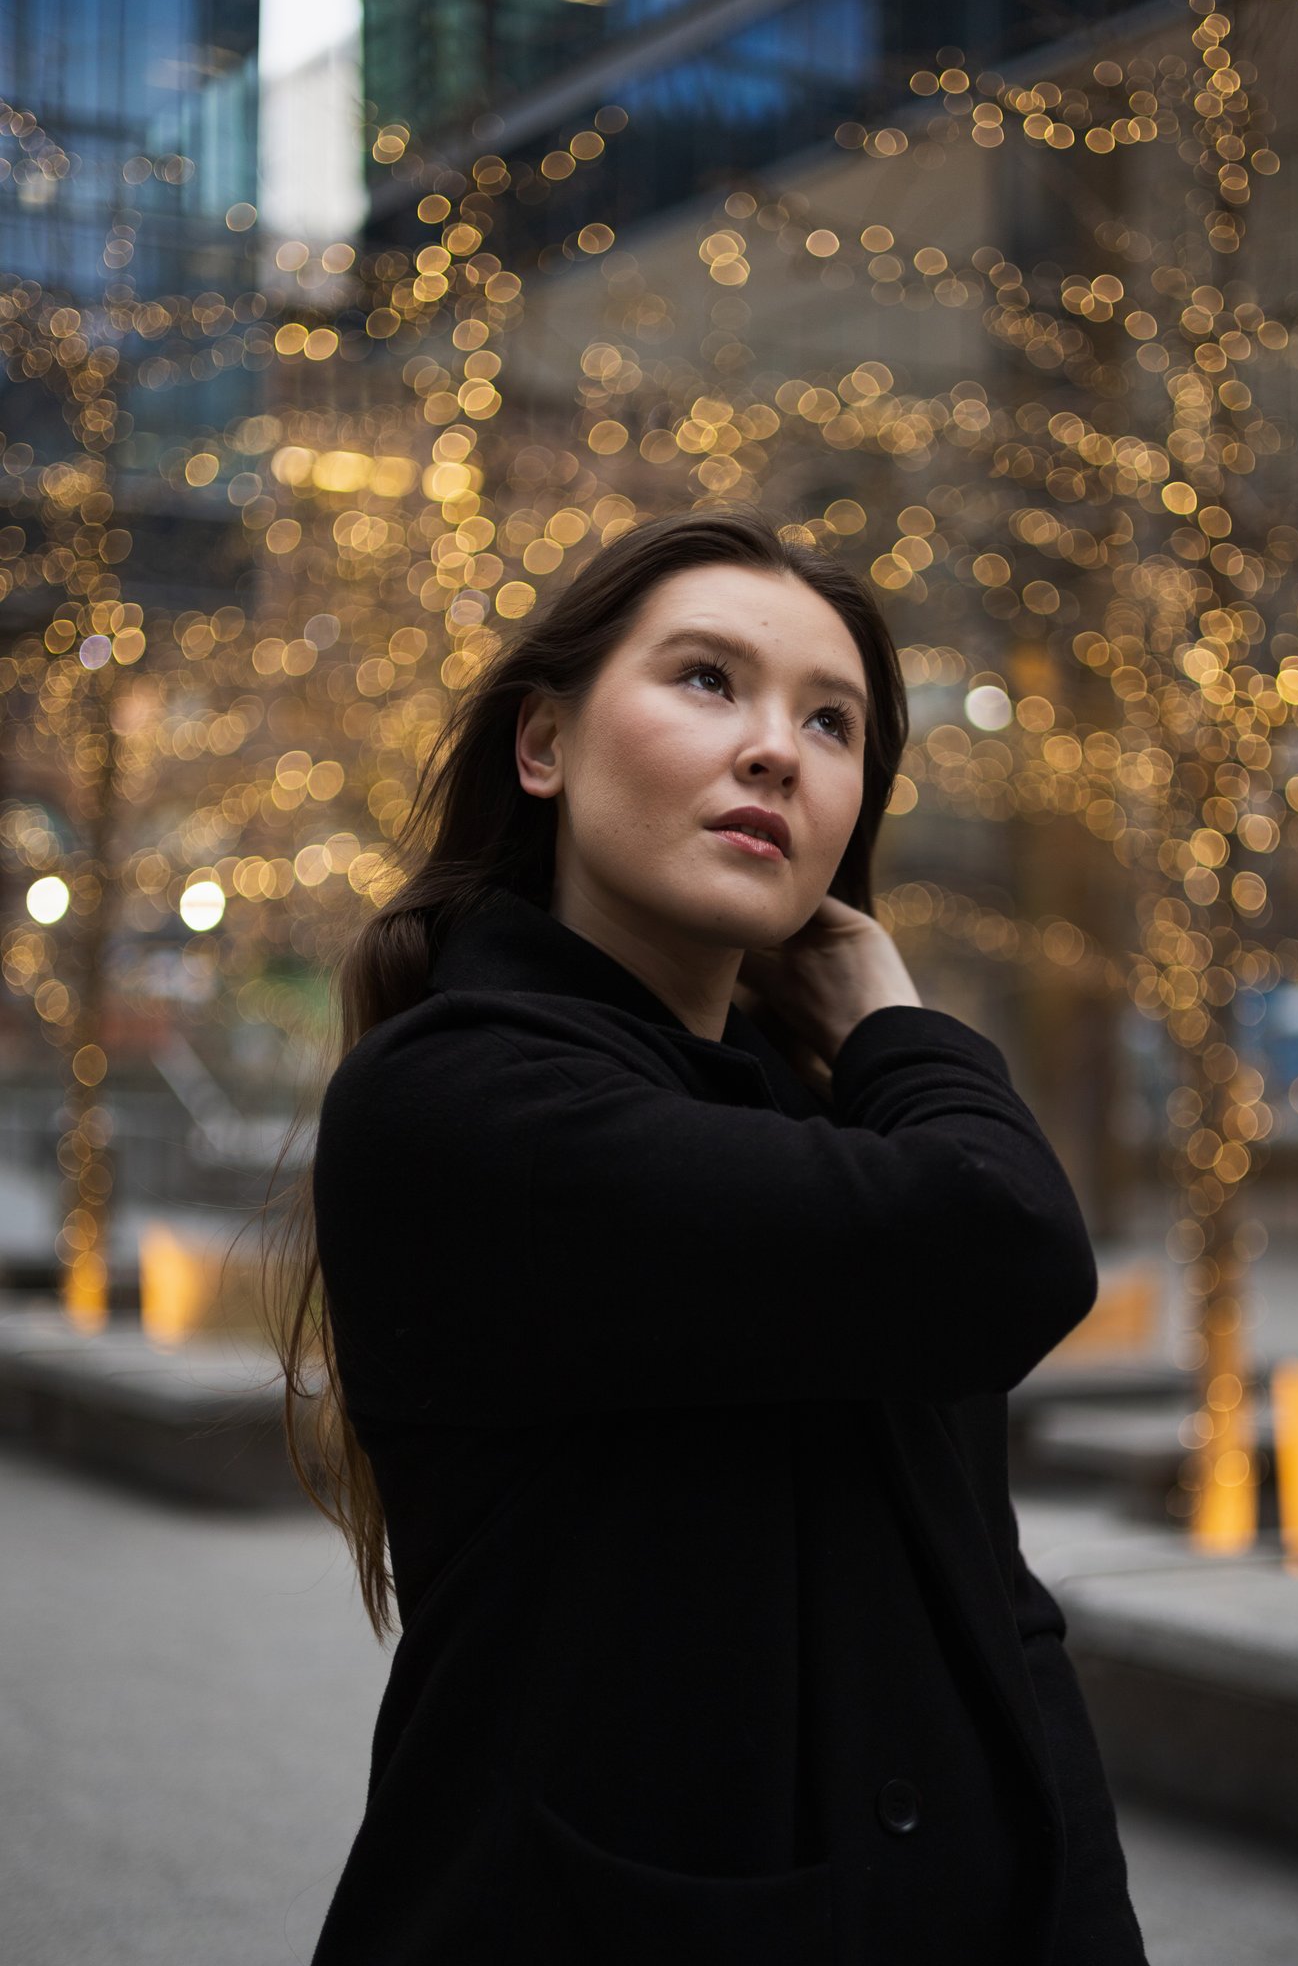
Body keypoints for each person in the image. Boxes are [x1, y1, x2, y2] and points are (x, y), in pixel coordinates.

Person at [272, 506, 1148, 1963]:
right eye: (706, 680)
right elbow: (1011, 1243)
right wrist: (895, 1019)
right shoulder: (456, 1101)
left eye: (833, 723)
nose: (776, 751)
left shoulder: (830, 1126)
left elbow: (991, 1606)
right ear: (542, 747)